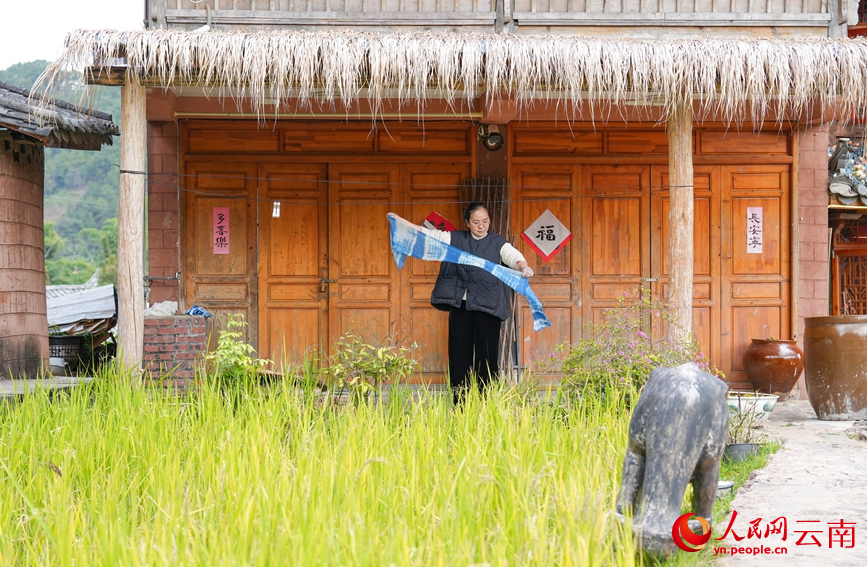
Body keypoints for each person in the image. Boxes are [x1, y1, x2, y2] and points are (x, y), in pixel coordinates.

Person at [387, 203, 534, 402]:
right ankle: (460, 403)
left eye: (485, 221)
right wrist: (402, 222)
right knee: (459, 356)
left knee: (487, 358)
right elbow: (429, 236)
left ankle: (486, 402)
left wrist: (523, 266)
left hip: (487, 307)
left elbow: (514, 256)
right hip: (461, 307)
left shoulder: (497, 242)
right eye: (476, 222)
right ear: (467, 223)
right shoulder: (455, 238)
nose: (481, 226)